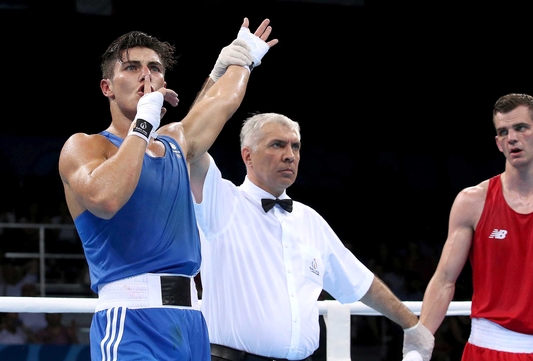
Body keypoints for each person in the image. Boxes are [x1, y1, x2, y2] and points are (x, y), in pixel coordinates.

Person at [57, 18, 277, 360]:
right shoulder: (85, 147)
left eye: (154, 68)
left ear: (163, 82)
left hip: (189, 321)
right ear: (107, 88)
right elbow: (106, 198)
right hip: (131, 320)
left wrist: (242, 58)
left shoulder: (176, 144)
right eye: (131, 68)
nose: (145, 76)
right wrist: (144, 122)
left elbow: (220, 103)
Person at [189, 112, 435, 361]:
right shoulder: (221, 202)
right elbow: (191, 143)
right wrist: (221, 78)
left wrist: (412, 326)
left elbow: (361, 283)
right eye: (278, 144)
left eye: (295, 146)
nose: (290, 155)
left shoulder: (310, 221)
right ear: (247, 155)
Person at [418, 93, 533, 361]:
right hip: (484, 350)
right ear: (498, 143)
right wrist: (419, 345)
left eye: (521, 128)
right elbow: (444, 280)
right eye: (503, 132)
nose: (512, 137)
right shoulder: (472, 201)